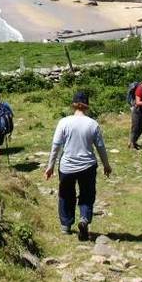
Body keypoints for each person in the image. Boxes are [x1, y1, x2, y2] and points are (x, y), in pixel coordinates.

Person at [45, 92, 113, 241]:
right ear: (87, 106)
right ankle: (84, 218)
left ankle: (66, 225)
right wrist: (106, 165)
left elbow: (56, 146)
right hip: (87, 166)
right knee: (87, 194)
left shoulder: (64, 122)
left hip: (67, 167)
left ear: (73, 105)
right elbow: (100, 147)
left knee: (65, 195)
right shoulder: (92, 124)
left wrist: (50, 166)